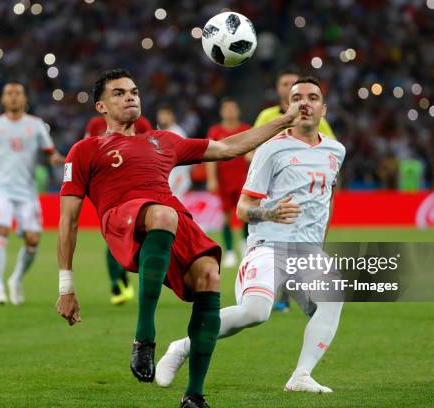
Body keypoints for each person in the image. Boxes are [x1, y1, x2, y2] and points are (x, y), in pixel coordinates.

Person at [55, 68, 303, 408]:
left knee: (209, 274)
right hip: (121, 216)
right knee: (164, 213)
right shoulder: (85, 150)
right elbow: (67, 220)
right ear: (100, 107)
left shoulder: (163, 140)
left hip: (167, 216)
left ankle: (194, 395)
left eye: (134, 91)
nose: (130, 97)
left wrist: (284, 120)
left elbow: (230, 147)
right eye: (119, 93)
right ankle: (144, 337)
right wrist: (66, 287)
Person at [157, 76, 345, 394]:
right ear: (288, 106)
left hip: (308, 250)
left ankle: (301, 376)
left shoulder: (335, 151)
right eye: (297, 97)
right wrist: (270, 213)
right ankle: (182, 347)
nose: (305, 103)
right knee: (255, 312)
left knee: (331, 300)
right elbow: (242, 209)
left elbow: (326, 198)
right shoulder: (271, 149)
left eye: (313, 97)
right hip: (269, 245)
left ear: (323, 109)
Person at [0, 82, 64, 304]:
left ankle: (15, 279)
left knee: (33, 240)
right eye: (9, 94)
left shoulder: (36, 125)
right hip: (1, 189)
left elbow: (50, 152)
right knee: (1, 230)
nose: (14, 97)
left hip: (27, 191)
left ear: (24, 99)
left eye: (18, 93)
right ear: (3, 99)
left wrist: (58, 159)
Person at [253, 67, 337, 312]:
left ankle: (294, 293)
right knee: (278, 242)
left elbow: (330, 150)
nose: (304, 102)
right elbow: (252, 145)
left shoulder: (318, 119)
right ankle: (274, 292)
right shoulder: (267, 116)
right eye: (286, 84)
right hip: (274, 189)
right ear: (282, 91)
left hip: (308, 189)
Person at [84, 114, 153, 305]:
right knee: (112, 236)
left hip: (137, 188)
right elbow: (88, 150)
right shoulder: (95, 124)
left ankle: (126, 277)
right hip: (108, 190)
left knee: (137, 238)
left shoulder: (141, 123)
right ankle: (116, 282)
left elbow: (151, 150)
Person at [205, 98, 251, 267]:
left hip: (244, 180)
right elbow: (210, 158)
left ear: (238, 111)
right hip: (224, 180)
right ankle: (230, 251)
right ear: (222, 112)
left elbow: (252, 154)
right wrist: (211, 179)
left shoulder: (245, 130)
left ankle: (245, 244)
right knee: (226, 217)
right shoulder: (216, 131)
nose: (230, 112)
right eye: (227, 109)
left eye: (233, 108)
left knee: (246, 214)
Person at [156, 105, 191, 200]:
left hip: (176, 176)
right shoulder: (157, 132)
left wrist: (180, 177)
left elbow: (186, 158)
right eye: (161, 114)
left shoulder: (178, 133)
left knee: (176, 209)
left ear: (172, 116)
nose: (163, 117)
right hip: (163, 177)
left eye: (166, 114)